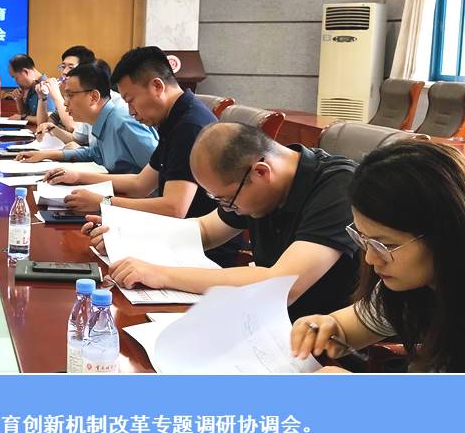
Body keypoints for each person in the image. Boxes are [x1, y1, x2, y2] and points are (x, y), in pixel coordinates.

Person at [91, 122, 360, 319]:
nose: (229, 208)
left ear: (261, 172)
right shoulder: (254, 184)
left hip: (317, 341)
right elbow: (205, 230)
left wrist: (161, 274)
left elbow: (281, 285)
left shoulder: (338, 186)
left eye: (228, 200)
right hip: (257, 319)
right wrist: (126, 236)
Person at [46, 46, 239, 265]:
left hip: (198, 250)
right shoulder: (174, 118)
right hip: (173, 232)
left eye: (131, 100)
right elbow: (141, 183)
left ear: (157, 86)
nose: (130, 111)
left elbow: (174, 208)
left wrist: (104, 203)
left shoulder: (189, 126)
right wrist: (79, 178)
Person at [291, 141, 465, 372]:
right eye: (363, 239)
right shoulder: (413, 286)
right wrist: (328, 327)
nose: (371, 259)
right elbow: (350, 327)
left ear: (446, 234)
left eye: (386, 245)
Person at [15, 62, 157, 174]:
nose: (65, 102)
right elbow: (94, 153)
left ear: (94, 97)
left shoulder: (123, 122)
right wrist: (46, 155)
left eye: (70, 95)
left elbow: (159, 173)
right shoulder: (102, 119)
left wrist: (78, 177)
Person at [6, 54, 61, 125]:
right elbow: (25, 114)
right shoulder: (31, 87)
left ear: (26, 72)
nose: (16, 82)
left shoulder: (46, 86)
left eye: (15, 77)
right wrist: (19, 100)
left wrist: (22, 117)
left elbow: (48, 119)